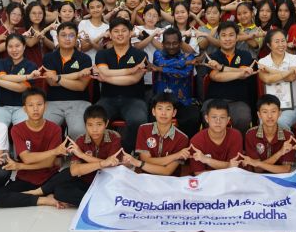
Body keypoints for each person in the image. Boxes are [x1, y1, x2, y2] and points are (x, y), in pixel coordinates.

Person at [0, 89, 67, 209]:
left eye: (39, 104)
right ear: (24, 109)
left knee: (68, 190)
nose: (35, 109)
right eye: (30, 105)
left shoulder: (55, 129)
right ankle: (43, 199)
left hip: (49, 177)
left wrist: (19, 166)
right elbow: (27, 158)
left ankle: (38, 195)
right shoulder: (17, 129)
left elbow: (49, 163)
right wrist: (54, 151)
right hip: (25, 178)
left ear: (45, 106)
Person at [38, 105, 122, 207]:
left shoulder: (115, 137)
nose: (94, 129)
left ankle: (93, 200)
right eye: (90, 125)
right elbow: (74, 169)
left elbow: (112, 165)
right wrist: (102, 163)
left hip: (107, 183)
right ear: (85, 125)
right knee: (60, 190)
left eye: (99, 124)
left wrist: (83, 156)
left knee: (120, 191)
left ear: (106, 123)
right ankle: (99, 201)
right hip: (87, 182)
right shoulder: (80, 140)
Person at [95, 17, 148, 152]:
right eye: (116, 31)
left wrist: (106, 78)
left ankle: (126, 152)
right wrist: (130, 70)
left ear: (130, 33)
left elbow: (133, 80)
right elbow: (104, 71)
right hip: (108, 99)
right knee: (96, 118)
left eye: (124, 31)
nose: (120, 34)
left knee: (138, 120)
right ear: (110, 34)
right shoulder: (102, 54)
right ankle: (104, 152)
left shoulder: (141, 55)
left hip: (134, 99)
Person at [42, 21, 93, 140]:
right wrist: (77, 75)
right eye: (63, 35)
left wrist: (58, 77)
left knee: (78, 131)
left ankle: (77, 152)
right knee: (44, 129)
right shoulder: (49, 57)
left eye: (71, 35)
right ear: (57, 37)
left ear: (76, 38)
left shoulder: (85, 59)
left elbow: (81, 86)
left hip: (79, 101)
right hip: (53, 101)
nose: (67, 39)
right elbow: (51, 82)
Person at [203, 22, 256, 134]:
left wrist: (221, 68)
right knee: (208, 117)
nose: (227, 39)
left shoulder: (245, 55)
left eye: (231, 35)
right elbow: (216, 77)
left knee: (243, 118)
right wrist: (240, 72)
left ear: (237, 38)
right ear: (219, 38)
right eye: (223, 35)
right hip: (215, 99)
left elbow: (244, 76)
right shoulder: (212, 57)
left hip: (239, 100)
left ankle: (238, 143)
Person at [150, 28, 201, 138]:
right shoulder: (158, 54)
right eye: (168, 43)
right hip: (161, 99)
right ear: (163, 43)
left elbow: (184, 73)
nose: (171, 46)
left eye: (175, 43)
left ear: (180, 43)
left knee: (193, 118)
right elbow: (161, 62)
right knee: (149, 117)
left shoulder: (189, 55)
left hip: (183, 101)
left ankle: (187, 145)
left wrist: (160, 69)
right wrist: (185, 63)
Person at [0, 33, 42, 127]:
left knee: (24, 130)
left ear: (24, 46)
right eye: (10, 46)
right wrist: (28, 76)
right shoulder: (0, 62)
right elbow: (2, 77)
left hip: (22, 107)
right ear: (6, 48)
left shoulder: (31, 65)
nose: (14, 50)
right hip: (1, 106)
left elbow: (21, 88)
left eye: (17, 46)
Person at [132, 93, 190, 175]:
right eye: (160, 108)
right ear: (153, 111)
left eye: (168, 109)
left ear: (174, 113)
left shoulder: (182, 138)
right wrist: (176, 155)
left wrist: (140, 163)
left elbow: (167, 171)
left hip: (170, 180)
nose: (163, 113)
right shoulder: (143, 129)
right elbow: (145, 160)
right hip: (147, 177)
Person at [257, 29, 296, 129]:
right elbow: (267, 79)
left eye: (283, 41)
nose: (281, 44)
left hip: (294, 106)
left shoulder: (294, 58)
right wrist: (288, 71)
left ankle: (287, 140)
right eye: (277, 42)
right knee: (264, 123)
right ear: (269, 45)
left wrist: (270, 70)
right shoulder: (263, 61)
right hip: (270, 108)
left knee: (280, 122)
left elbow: (291, 78)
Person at [241, 95, 296, 173]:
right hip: (257, 178)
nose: (269, 116)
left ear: (279, 113)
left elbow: (286, 169)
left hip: (280, 178)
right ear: (259, 115)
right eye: (265, 112)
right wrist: (280, 153)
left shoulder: (288, 136)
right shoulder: (251, 134)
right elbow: (257, 170)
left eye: (273, 111)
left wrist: (258, 164)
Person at [189, 99, 243, 174]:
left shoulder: (236, 136)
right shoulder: (196, 141)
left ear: (228, 120)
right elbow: (199, 173)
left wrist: (206, 160)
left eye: (222, 117)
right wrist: (227, 166)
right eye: (214, 117)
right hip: (207, 181)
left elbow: (234, 168)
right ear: (207, 119)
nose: (218, 121)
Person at [77, 0, 110, 64]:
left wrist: (90, 42)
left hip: (101, 63)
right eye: (92, 8)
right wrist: (100, 37)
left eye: (98, 7)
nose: (95, 10)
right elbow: (84, 48)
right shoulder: (83, 23)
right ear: (88, 10)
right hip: (84, 63)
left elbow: (103, 50)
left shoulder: (107, 27)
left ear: (103, 8)